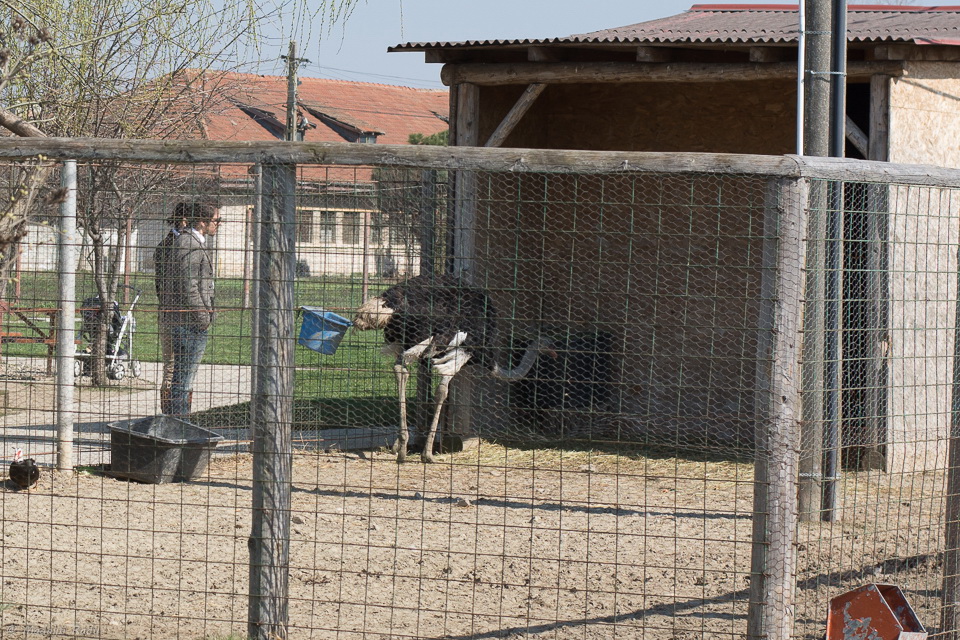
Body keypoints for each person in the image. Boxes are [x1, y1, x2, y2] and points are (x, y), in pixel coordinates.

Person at [167, 201, 221, 416]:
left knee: (184, 379)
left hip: (190, 322)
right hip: (188, 323)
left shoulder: (193, 242)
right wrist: (203, 317)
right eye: (216, 221)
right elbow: (188, 287)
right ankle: (178, 424)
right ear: (202, 222)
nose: (218, 225)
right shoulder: (188, 243)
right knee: (183, 380)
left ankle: (179, 422)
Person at [153, 204, 188, 414]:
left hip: (180, 313)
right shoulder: (170, 245)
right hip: (172, 313)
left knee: (182, 368)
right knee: (172, 367)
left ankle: (180, 413)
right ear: (183, 219)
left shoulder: (179, 243)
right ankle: (170, 415)